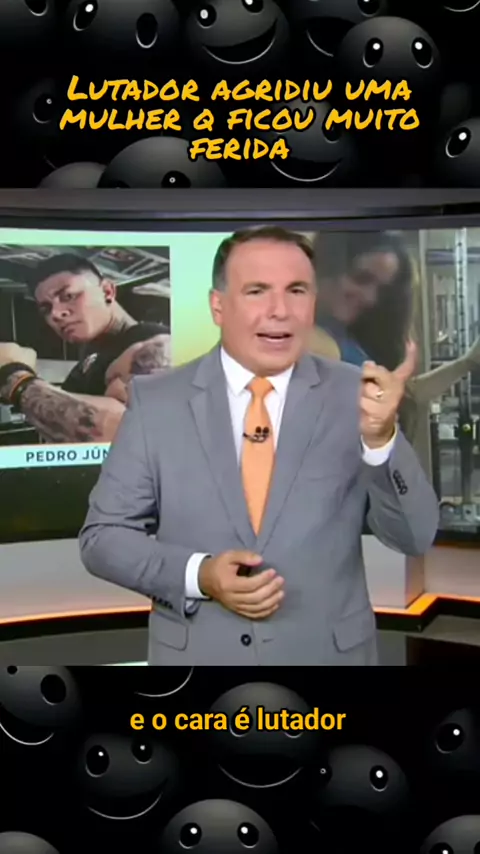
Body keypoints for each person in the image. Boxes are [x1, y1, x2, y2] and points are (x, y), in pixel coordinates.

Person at [79, 226, 439, 666]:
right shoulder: (157, 402)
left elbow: (415, 535)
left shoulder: (356, 394)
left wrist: (382, 442)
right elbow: (103, 539)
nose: (280, 311)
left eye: (296, 290)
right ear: (218, 306)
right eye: (257, 291)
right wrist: (200, 575)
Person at [309, 230, 480, 445]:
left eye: (382, 290)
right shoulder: (315, 343)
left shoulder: (340, 334)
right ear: (328, 266)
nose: (370, 298)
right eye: (361, 278)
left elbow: (405, 395)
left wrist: (467, 362)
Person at [0, 254, 170, 442]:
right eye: (46, 309)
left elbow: (122, 432)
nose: (55, 314)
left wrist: (14, 378)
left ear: (107, 292)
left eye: (68, 296)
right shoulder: (91, 357)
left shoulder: (154, 342)